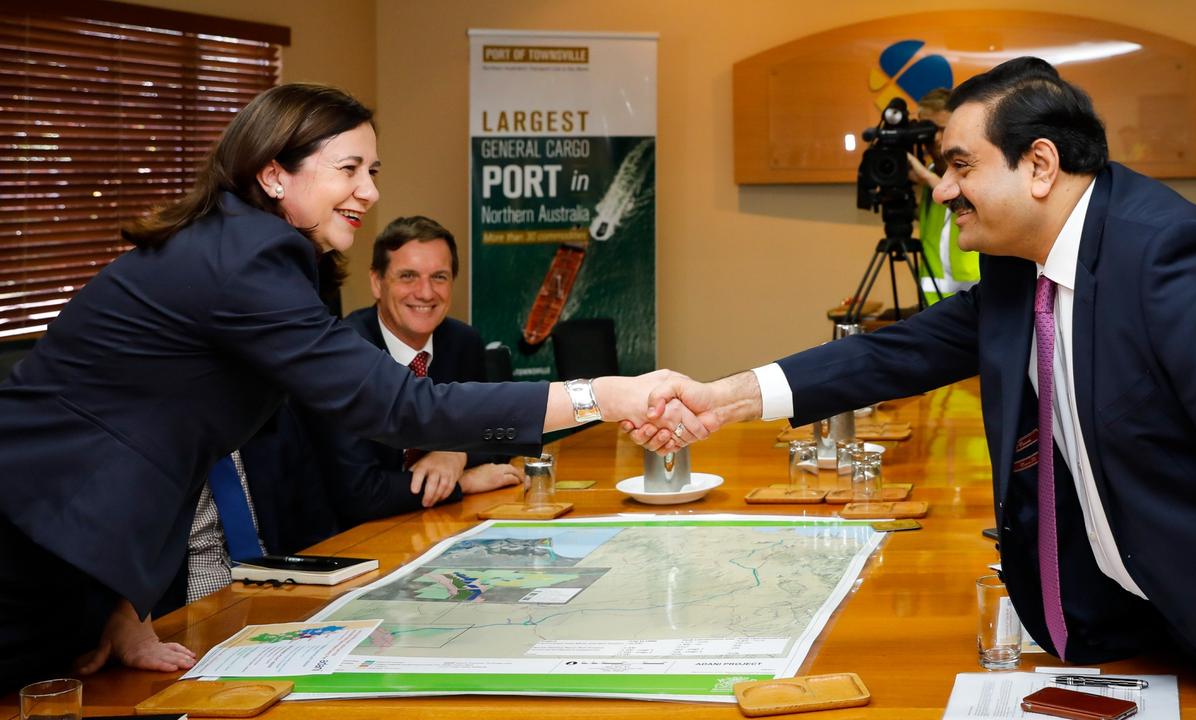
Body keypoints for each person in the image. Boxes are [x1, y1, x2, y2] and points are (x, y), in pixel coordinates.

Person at [632, 58, 1196, 716]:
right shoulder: (1018, 267)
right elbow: (901, 352)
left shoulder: (1175, 259)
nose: (941, 190)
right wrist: (730, 397)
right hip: (1134, 636)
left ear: (1039, 166)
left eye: (960, 166)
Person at [0, 83, 700, 692]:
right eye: (349, 168)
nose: (369, 190)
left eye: (374, 169)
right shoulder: (246, 257)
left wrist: (124, 608)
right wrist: (598, 397)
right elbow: (397, 406)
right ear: (274, 174)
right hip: (32, 532)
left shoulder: (255, 250)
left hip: (74, 542)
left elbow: (176, 429)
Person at [313, 215, 524, 530]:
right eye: (408, 276)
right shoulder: (344, 356)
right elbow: (359, 494)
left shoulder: (462, 342)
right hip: (350, 540)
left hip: (435, 525)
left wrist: (456, 455)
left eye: (439, 277)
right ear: (376, 282)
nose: (425, 293)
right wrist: (460, 483)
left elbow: (502, 433)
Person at [905, 88, 980, 303]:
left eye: (942, 129)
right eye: (929, 129)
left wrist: (926, 177)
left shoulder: (971, 171)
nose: (936, 138)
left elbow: (969, 207)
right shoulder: (930, 173)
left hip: (971, 299)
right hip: (933, 303)